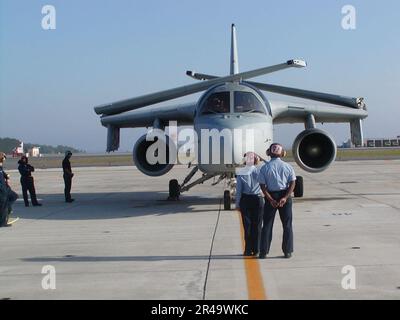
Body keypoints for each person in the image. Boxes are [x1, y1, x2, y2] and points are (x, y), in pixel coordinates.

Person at [258, 143, 296, 259]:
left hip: (271, 195)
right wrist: (285, 197)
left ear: (268, 153)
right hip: (285, 195)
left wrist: (270, 199)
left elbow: (262, 186)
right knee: (287, 225)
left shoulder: (264, 168)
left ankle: (263, 252)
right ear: (282, 153)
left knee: (267, 225)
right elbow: (293, 183)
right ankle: (287, 251)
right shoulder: (288, 167)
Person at [236, 152, 264, 256]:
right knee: (257, 225)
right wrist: (260, 159)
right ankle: (257, 249)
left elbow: (238, 190)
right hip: (257, 199)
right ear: (256, 160)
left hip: (245, 200)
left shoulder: (241, 172)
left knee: (247, 226)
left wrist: (237, 204)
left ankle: (248, 250)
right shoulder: (260, 170)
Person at [0, 152, 18, 227]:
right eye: (3, 158)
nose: (4, 159)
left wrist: (6, 176)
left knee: (14, 196)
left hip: (5, 188)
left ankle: (8, 208)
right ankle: (2, 222)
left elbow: (2, 172)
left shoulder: (0, 167)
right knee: (3, 206)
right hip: (1, 190)